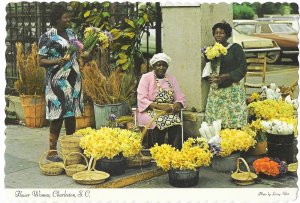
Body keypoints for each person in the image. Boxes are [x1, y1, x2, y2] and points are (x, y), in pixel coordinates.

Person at [38, 5, 83, 162]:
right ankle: (52, 152)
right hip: (57, 81)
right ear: (57, 19)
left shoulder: (71, 33)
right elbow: (41, 61)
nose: (68, 19)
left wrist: (85, 52)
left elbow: (78, 51)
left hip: (73, 78)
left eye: (68, 17)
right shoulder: (47, 36)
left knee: (71, 115)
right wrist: (58, 60)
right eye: (65, 17)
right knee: (57, 115)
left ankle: (71, 150)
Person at [136, 53, 186, 148]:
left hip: (168, 112)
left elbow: (180, 96)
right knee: (158, 122)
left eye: (164, 65)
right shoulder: (146, 78)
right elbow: (142, 98)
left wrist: (178, 104)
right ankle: (157, 151)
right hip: (149, 111)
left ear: (167, 67)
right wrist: (159, 107)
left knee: (176, 123)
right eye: (159, 65)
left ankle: (173, 151)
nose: (161, 67)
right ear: (154, 66)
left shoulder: (171, 78)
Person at [204, 21, 247, 129]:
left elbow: (243, 67)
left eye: (221, 33)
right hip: (216, 90)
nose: (218, 35)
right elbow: (208, 67)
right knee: (216, 117)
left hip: (232, 89)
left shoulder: (236, 48)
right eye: (216, 33)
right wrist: (208, 77)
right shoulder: (211, 49)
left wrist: (227, 76)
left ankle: (234, 139)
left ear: (227, 35)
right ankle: (217, 140)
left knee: (233, 117)